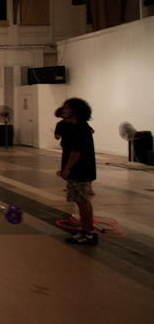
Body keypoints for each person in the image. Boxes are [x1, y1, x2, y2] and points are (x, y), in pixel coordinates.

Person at [60, 98, 98, 245]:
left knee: (82, 201)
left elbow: (76, 151)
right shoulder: (76, 126)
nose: (64, 110)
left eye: (67, 108)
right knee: (81, 200)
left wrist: (67, 169)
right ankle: (88, 229)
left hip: (81, 170)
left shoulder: (80, 127)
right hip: (79, 170)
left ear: (75, 111)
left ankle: (86, 233)